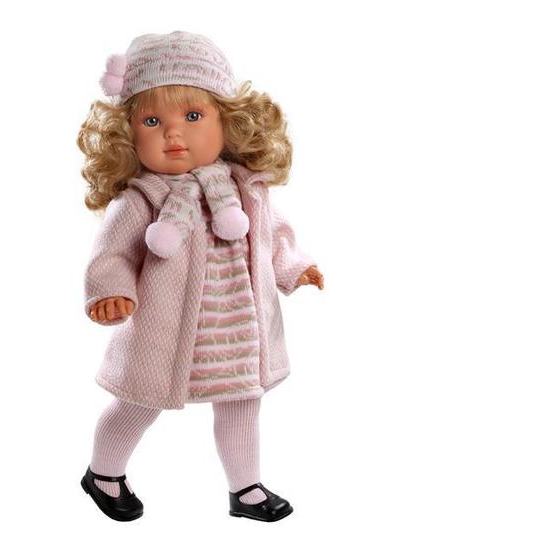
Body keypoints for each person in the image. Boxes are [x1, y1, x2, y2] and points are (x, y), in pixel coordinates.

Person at [76, 31, 324, 522]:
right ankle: (103, 473)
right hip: (165, 333)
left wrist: (295, 267)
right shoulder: (141, 199)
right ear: (128, 134)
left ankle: (245, 488)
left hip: (236, 331)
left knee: (242, 403)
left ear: (226, 121)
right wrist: (111, 292)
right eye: (153, 121)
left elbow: (273, 236)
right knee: (138, 403)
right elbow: (111, 255)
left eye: (193, 117)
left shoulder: (246, 189)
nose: (174, 135)